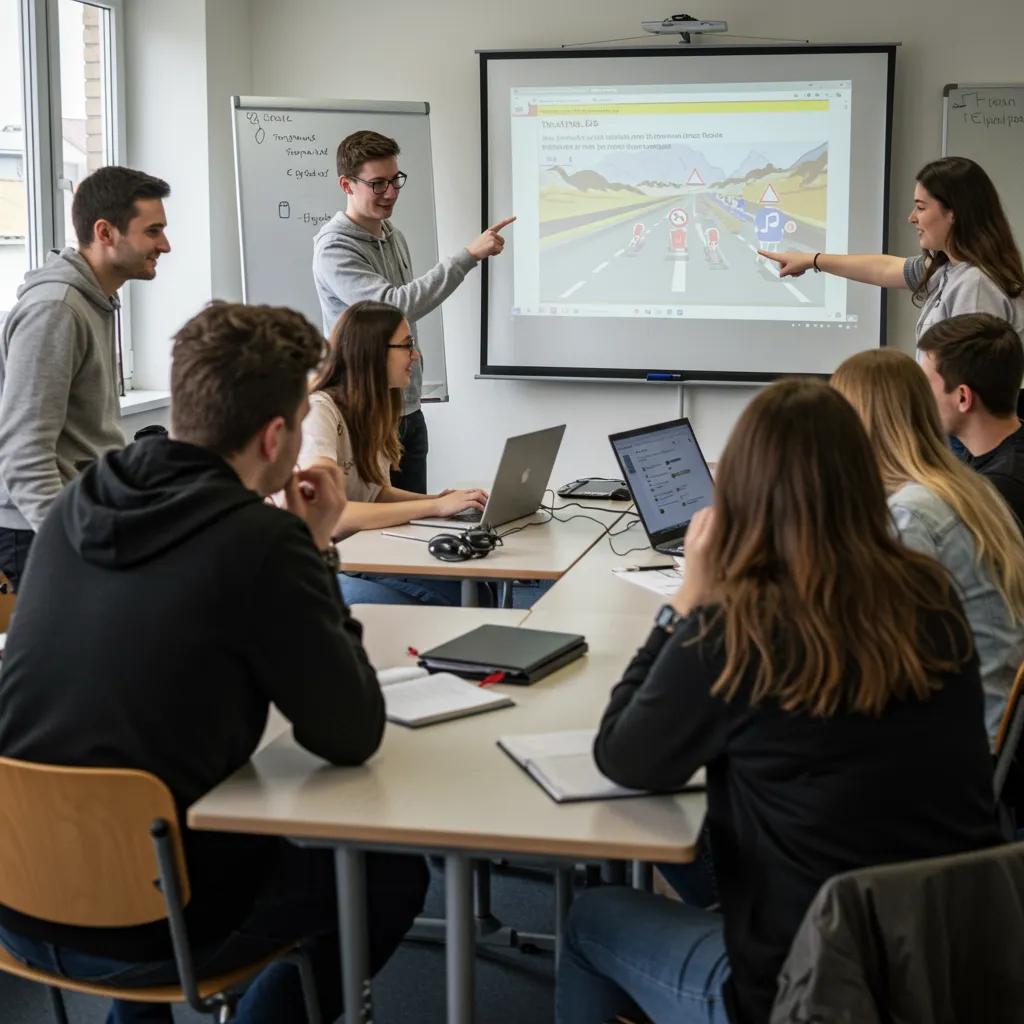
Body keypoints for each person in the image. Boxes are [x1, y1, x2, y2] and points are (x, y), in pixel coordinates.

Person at [0, 302, 428, 1024]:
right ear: (275, 437)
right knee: (385, 877)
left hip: (20, 896)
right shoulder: (260, 543)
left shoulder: (76, 505)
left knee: (142, 834)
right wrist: (316, 550)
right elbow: (350, 734)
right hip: (159, 922)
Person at [556, 379, 1000, 1024]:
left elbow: (625, 758)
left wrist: (687, 603)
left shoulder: (739, 624)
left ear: (739, 489)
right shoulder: (927, 591)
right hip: (947, 961)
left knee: (593, 918)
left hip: (806, 985)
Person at [832, 347, 1024, 742]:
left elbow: (869, 658)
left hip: (959, 750)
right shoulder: (966, 487)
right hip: (985, 728)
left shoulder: (912, 515)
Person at [312, 129, 514, 493]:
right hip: (365, 412)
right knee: (379, 532)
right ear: (347, 184)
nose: (390, 193)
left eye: (395, 181)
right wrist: (467, 257)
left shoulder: (393, 235)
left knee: (415, 524)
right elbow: (396, 307)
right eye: (377, 184)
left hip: (405, 407)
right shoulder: (334, 248)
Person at [0, 165, 172, 590]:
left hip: (82, 514)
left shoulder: (95, 300)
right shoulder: (57, 309)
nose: (165, 245)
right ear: (105, 232)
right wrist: (73, 539)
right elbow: (24, 452)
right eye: (152, 231)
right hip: (41, 530)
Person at [300, 299, 487, 606]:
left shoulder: (374, 409)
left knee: (475, 589)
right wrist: (433, 508)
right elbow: (331, 516)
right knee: (440, 602)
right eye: (407, 344)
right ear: (373, 353)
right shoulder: (319, 412)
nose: (416, 355)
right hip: (316, 566)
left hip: (360, 552)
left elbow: (374, 494)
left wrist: (443, 502)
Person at [761, 157, 1024, 341]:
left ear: (954, 213)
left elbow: (968, 387)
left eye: (921, 207)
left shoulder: (975, 284)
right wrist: (811, 260)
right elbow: (885, 268)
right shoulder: (948, 268)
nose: (912, 217)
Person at [917, 312, 1024, 529]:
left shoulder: (998, 491)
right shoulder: (990, 460)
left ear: (963, 397)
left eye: (926, 386)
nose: (920, 397)